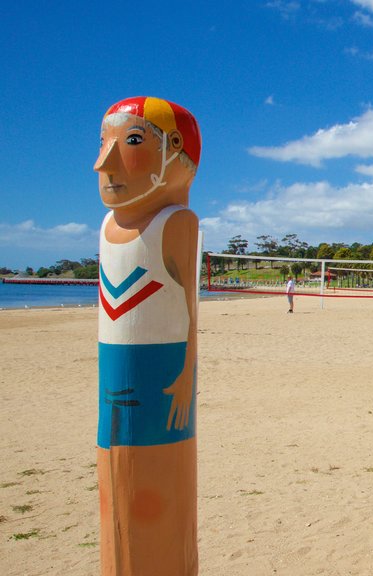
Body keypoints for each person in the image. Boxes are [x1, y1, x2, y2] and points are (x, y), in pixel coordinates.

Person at [94, 96, 201, 575]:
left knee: (155, 494)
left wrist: (184, 377)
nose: (104, 162)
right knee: (115, 487)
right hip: (113, 390)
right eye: (104, 142)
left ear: (174, 152)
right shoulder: (105, 226)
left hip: (161, 384)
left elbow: (191, 315)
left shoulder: (176, 222)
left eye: (131, 141)